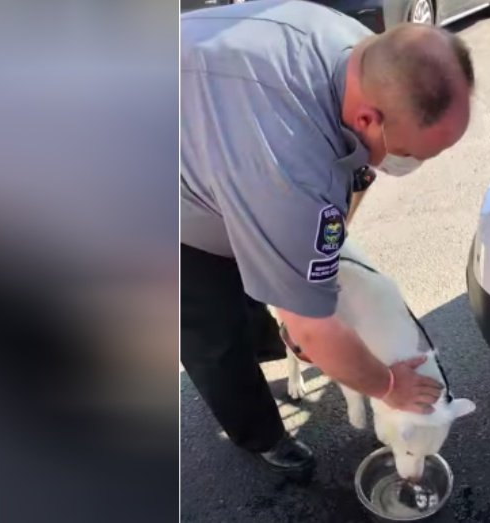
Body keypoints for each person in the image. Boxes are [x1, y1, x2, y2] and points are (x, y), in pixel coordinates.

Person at [180, 0, 475, 480]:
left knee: (271, 277)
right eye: (403, 153)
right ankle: (260, 435)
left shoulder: (352, 43)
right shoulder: (288, 172)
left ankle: (266, 337)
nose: (404, 167)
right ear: (367, 119)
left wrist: (311, 260)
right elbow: (315, 328)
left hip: (203, 124)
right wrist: (389, 385)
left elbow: (351, 175)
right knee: (212, 325)